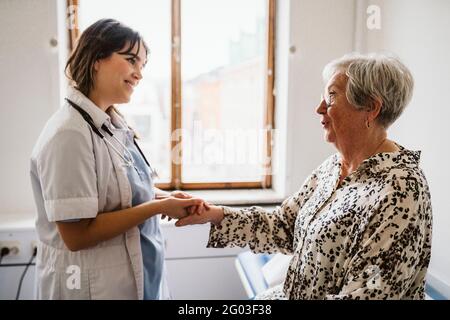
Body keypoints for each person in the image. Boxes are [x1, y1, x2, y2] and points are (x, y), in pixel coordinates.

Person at [175, 53, 433, 300]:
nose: (319, 108)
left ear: (371, 108)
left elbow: (368, 293)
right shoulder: (333, 168)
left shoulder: (401, 190)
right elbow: (284, 227)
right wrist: (214, 213)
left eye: (331, 96)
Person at [30, 19, 206, 300]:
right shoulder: (69, 135)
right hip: (91, 287)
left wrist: (163, 198)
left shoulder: (112, 126)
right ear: (97, 58)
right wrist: (154, 208)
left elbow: (118, 192)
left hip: (140, 278)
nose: (139, 74)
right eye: (131, 60)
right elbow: (77, 235)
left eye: (143, 65)